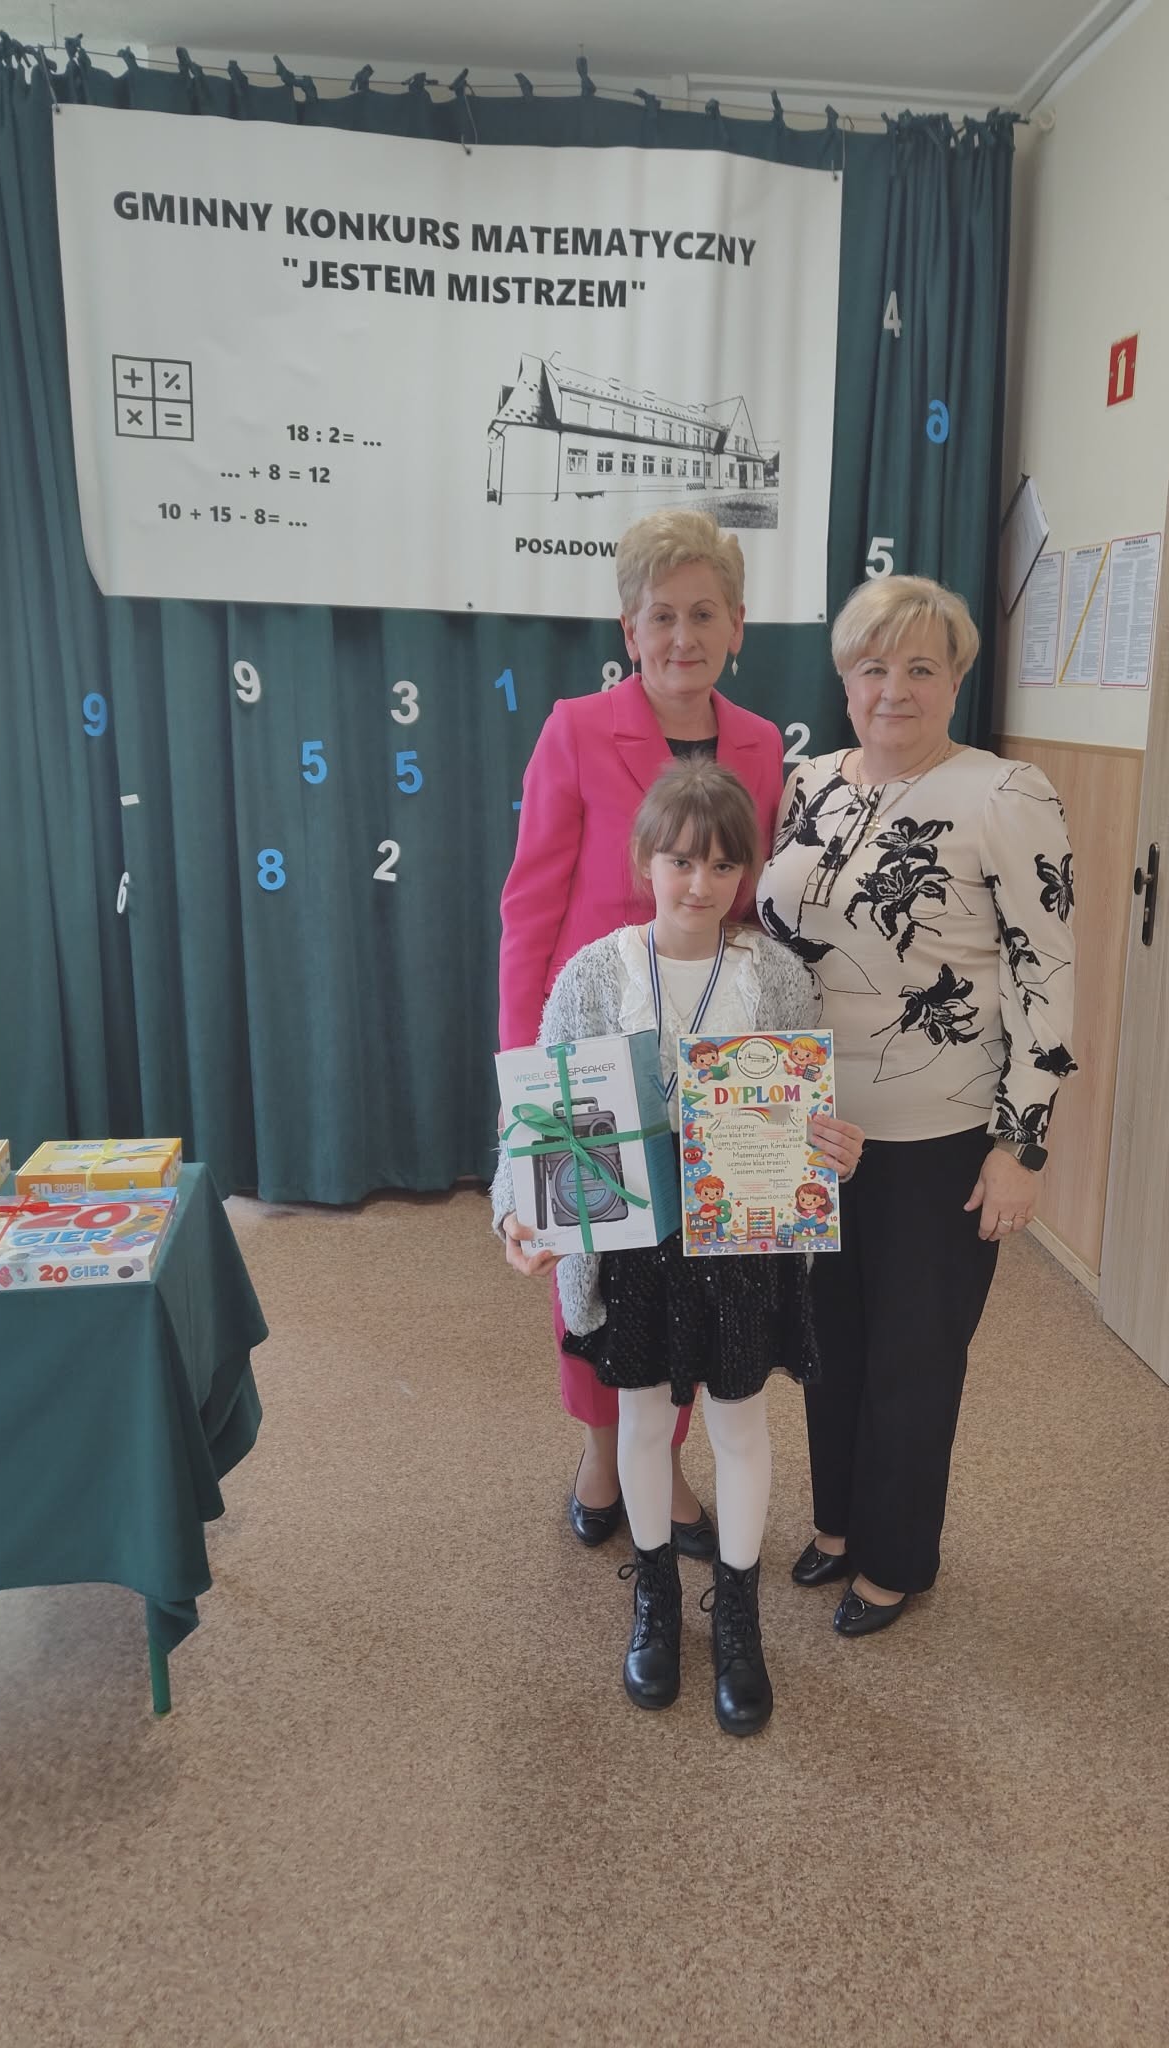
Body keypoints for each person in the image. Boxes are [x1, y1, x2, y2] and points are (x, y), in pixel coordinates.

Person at [493, 761, 863, 1733]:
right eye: (681, 861)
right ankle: (655, 1595)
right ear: (644, 860)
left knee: (739, 1423)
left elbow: (807, 1116)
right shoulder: (594, 974)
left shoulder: (774, 976)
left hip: (741, 1244)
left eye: (723, 865)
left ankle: (737, 1613)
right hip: (635, 1246)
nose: (701, 884)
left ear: (746, 873)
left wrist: (834, 1146)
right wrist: (520, 1211)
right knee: (645, 1420)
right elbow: (539, 1121)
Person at [757, 575, 1077, 1636]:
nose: (894, 688)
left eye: (921, 667)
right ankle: (839, 1523)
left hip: (941, 1134)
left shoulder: (1007, 793)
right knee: (829, 1343)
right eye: (873, 667)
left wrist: (1021, 1145)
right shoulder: (810, 782)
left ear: (956, 679)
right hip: (813, 1127)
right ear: (846, 680)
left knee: (914, 1355)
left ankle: (893, 1559)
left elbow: (1046, 976)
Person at [498, 511, 786, 1556]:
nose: (682, 636)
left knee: (698, 1277)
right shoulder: (575, 730)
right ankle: (606, 1452)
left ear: (737, 626)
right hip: (592, 1047)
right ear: (629, 628)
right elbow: (530, 908)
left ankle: (661, 1458)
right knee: (597, 1270)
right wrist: (524, 1081)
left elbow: (754, 911)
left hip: (711, 1053)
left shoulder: (761, 745)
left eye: (704, 613)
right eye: (661, 615)